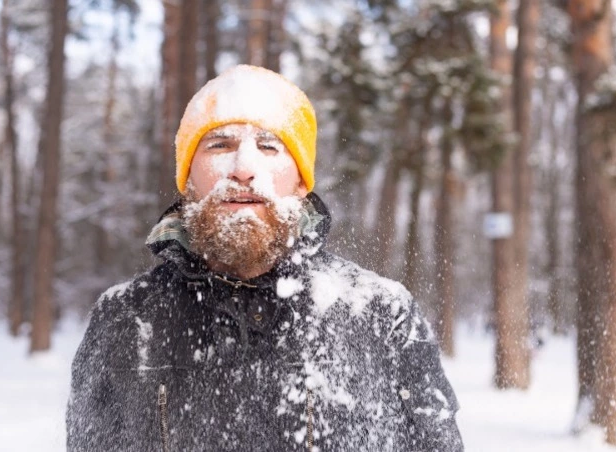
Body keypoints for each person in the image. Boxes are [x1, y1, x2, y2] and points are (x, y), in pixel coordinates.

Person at [66, 65, 463, 451]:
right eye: (219, 145)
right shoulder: (124, 317)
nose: (243, 168)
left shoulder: (381, 314)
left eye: (269, 146)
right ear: (188, 178)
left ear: (301, 180)